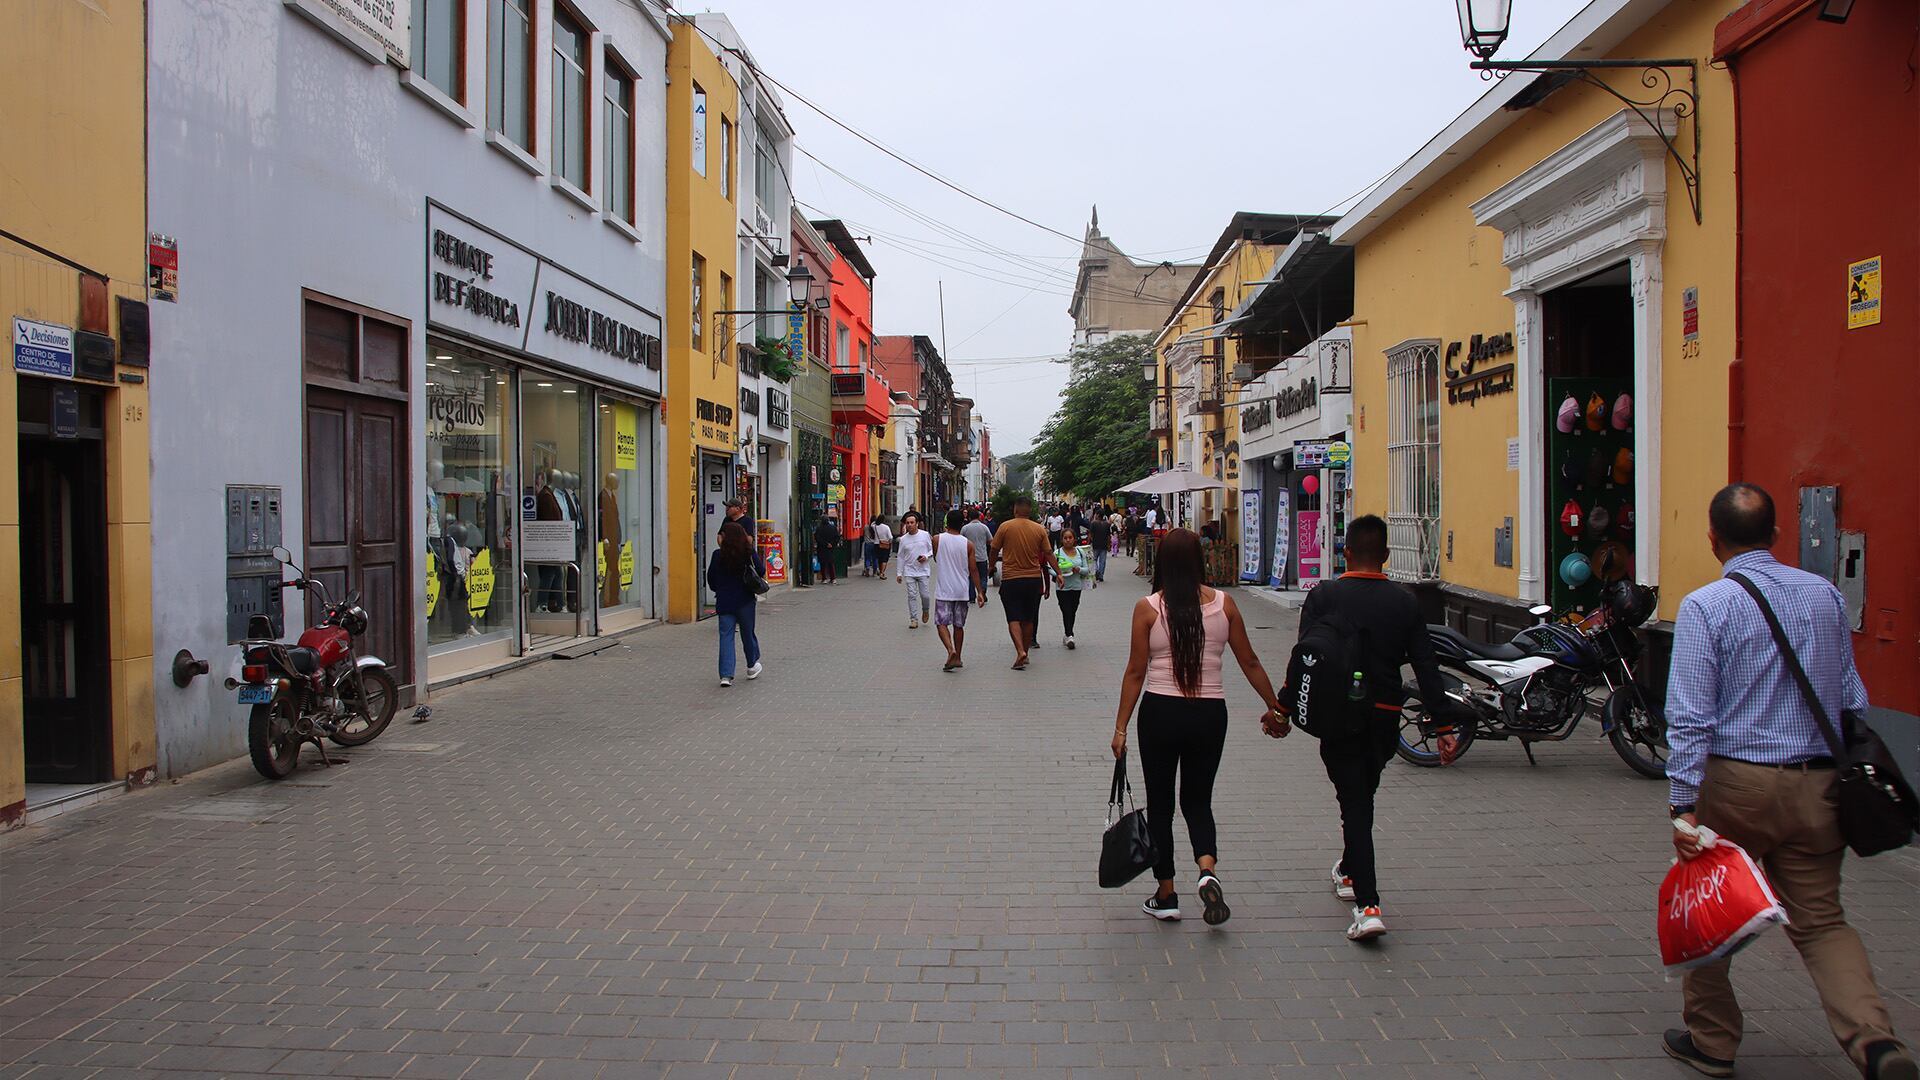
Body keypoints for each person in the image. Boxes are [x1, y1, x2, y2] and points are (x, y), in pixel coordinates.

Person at [1661, 484, 1914, 1080]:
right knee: (1822, 922)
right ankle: (1875, 1042)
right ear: (1777, 536)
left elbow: (1692, 714)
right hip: (1819, 788)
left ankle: (1713, 1042)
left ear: (1712, 540)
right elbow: (1852, 696)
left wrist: (1683, 802)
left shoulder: (1706, 606)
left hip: (1737, 788)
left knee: (1714, 906)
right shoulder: (1824, 596)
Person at [1272, 515, 1457, 942]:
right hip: (1384, 717)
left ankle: (1368, 904)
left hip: (1337, 715)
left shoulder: (1324, 596)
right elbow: (1427, 666)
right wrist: (1443, 723)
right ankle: (1349, 869)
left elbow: (1305, 660)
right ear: (1387, 555)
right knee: (1360, 797)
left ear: (1346, 553)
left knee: (1355, 803)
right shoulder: (1406, 602)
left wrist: (1283, 708)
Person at [1110, 528, 1286, 927]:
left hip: (1160, 713)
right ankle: (1207, 869)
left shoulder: (1148, 607)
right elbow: (1251, 662)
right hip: (1209, 714)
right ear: (1198, 561)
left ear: (1161, 563)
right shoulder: (1225, 605)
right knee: (1198, 800)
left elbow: (1135, 671)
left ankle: (1167, 893)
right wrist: (1276, 709)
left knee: (1161, 804)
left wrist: (1120, 727)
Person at [988, 494, 1051, 670]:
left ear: (1015, 509)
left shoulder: (1005, 526)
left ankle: (1020, 651)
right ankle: (1026, 653)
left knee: (1013, 618)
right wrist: (1059, 573)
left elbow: (994, 549)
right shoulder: (1039, 529)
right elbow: (1048, 554)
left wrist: (991, 566)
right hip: (1033, 579)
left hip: (1012, 578)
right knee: (1029, 618)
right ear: (1030, 510)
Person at [707, 520, 766, 688]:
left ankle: (726, 675)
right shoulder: (747, 553)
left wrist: (719, 588)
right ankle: (752, 664)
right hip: (745, 600)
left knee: (726, 636)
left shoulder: (717, 555)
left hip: (725, 601)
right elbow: (761, 570)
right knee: (747, 634)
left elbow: (711, 579)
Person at [931, 509, 987, 671]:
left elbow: (935, 557)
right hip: (961, 590)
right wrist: (979, 592)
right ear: (962, 524)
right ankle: (958, 657)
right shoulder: (968, 544)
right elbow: (973, 569)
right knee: (958, 625)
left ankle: (950, 650)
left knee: (941, 623)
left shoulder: (937, 539)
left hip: (944, 590)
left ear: (947, 523)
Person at [1052, 528, 1092, 648]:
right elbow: (1050, 568)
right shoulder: (1057, 553)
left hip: (1076, 586)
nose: (1068, 540)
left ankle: (1068, 633)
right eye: (1065, 538)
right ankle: (1070, 635)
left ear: (1074, 539)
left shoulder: (1080, 552)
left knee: (1073, 610)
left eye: (1070, 538)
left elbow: (1087, 569)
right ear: (1062, 540)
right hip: (1062, 587)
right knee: (1066, 610)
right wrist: (1058, 574)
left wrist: (1078, 569)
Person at [893, 511, 934, 628]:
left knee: (925, 595)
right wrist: (899, 573)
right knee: (911, 595)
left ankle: (925, 610)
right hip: (909, 571)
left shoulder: (925, 535)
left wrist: (926, 556)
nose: (909, 525)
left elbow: (932, 550)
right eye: (907, 523)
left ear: (917, 524)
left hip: (923, 570)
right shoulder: (903, 539)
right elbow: (900, 556)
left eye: (912, 522)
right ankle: (913, 619)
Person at [961, 509, 994, 601]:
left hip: (969, 557)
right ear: (979, 517)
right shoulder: (984, 527)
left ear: (969, 517)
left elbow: (960, 541)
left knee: (970, 577)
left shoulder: (965, 528)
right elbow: (991, 540)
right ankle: (982, 590)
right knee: (983, 576)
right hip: (982, 556)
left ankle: (971, 597)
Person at [813, 511, 841, 585]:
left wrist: (825, 544)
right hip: (830, 549)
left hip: (822, 548)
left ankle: (824, 578)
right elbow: (837, 537)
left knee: (823, 564)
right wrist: (832, 544)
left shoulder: (819, 528)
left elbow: (817, 538)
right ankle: (833, 578)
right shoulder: (833, 528)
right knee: (831, 563)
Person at [1087, 512, 1112, 586]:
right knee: (1102, 561)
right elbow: (1108, 536)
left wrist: (1089, 542)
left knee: (1094, 559)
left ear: (1097, 515)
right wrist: (1109, 544)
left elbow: (1090, 534)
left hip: (1095, 544)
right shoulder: (1107, 524)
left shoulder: (1093, 523)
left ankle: (1097, 570)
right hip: (1104, 544)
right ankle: (1101, 575)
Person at [871, 514, 893, 579]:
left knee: (879, 559)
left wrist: (876, 521)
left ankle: (880, 571)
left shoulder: (874, 526)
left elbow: (872, 524)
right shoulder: (886, 527)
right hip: (885, 545)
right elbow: (890, 537)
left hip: (876, 544)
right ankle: (882, 573)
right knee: (884, 559)